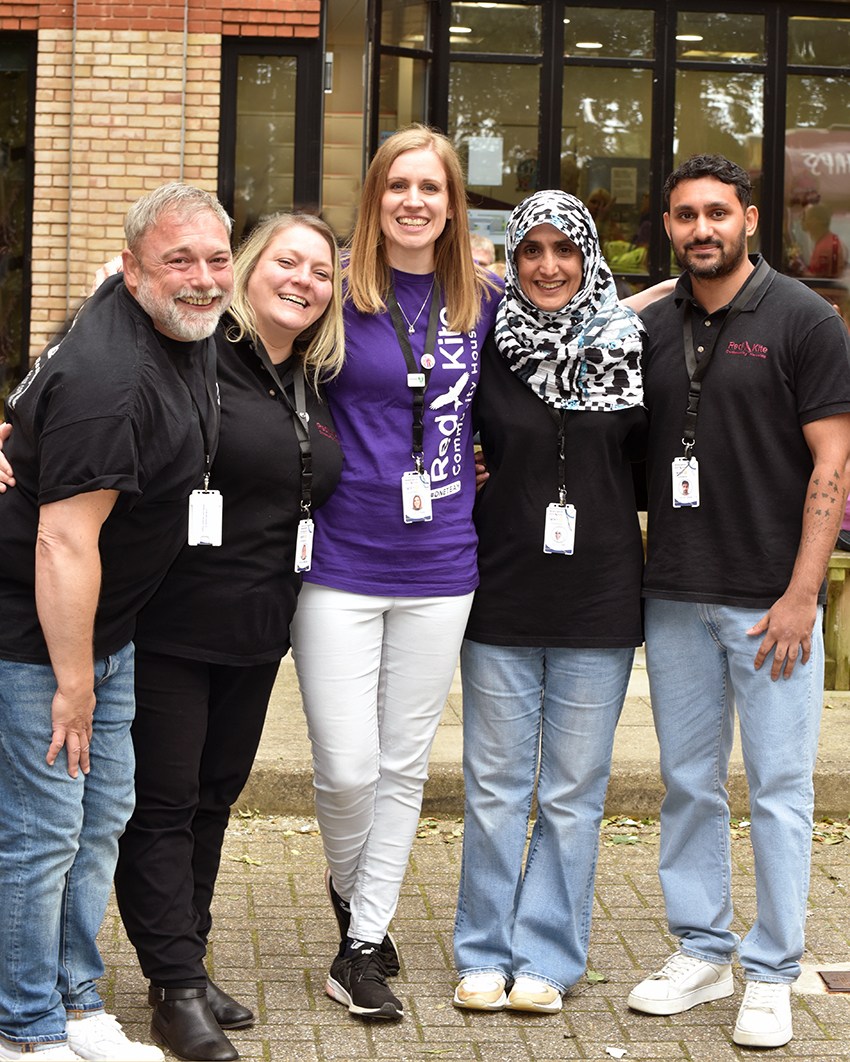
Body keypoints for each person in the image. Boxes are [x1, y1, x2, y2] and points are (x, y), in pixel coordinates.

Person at [0, 183, 233, 1061]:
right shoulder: (115, 380)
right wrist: (71, 684)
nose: (203, 279)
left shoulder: (175, 317)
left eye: (216, 259)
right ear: (134, 271)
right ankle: (22, 1031)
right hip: (38, 636)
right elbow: (62, 541)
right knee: (40, 833)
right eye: (179, 262)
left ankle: (74, 1001)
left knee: (99, 821)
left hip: (110, 627)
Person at [627, 154, 850, 1049]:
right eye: (685, 216)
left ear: (750, 219)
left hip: (772, 603)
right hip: (676, 591)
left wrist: (804, 594)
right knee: (687, 785)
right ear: (671, 228)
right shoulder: (654, 323)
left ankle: (773, 969)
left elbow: (833, 466)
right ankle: (702, 948)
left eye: (717, 212)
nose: (701, 229)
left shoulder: (805, 319)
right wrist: (640, 299)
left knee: (781, 791)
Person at [110, 214, 345, 1061]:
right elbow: (88, 381)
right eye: (287, 260)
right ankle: (173, 989)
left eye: (320, 271)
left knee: (213, 801)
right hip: (170, 620)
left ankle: (187, 958)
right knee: (165, 805)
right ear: (249, 268)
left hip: (257, 628)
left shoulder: (314, 379)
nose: (303, 280)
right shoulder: (192, 350)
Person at [289, 123, 501, 1022]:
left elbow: (595, 315)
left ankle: (363, 942)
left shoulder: (484, 298)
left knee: (405, 764)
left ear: (453, 203)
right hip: (339, 557)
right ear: (375, 198)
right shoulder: (334, 296)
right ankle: (353, 888)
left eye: (432, 187)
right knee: (345, 768)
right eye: (397, 186)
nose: (414, 201)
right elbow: (229, 350)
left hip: (443, 561)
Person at [451, 190, 646, 1014]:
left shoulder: (634, 347)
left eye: (564, 249)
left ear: (588, 256)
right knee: (494, 784)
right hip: (500, 590)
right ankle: (483, 950)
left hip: (599, 596)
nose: (548, 265)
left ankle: (549, 957)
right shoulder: (489, 343)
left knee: (573, 791)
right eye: (531, 250)